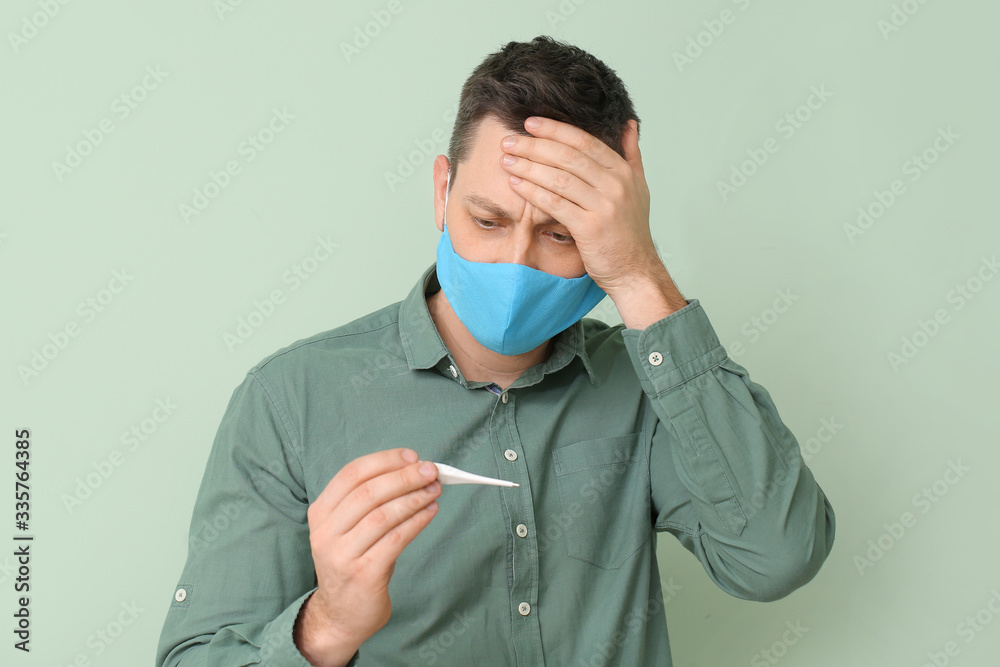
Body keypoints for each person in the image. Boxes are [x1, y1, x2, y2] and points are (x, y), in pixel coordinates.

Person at [155, 35, 835, 667]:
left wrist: (638, 272)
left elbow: (777, 555)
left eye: (561, 235)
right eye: (488, 220)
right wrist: (328, 623)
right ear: (441, 191)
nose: (516, 262)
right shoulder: (289, 399)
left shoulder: (653, 390)